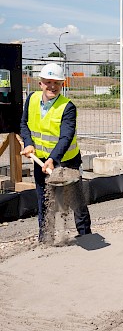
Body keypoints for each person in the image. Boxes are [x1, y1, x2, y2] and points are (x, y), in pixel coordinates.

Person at [19, 63, 91, 242]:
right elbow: (24, 124)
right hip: (40, 161)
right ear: (40, 83)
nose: (52, 86)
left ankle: (85, 236)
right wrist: (28, 143)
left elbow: (66, 137)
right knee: (44, 199)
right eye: (48, 82)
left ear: (62, 85)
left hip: (67, 162)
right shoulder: (32, 99)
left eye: (56, 83)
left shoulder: (68, 107)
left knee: (76, 201)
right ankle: (46, 238)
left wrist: (53, 159)